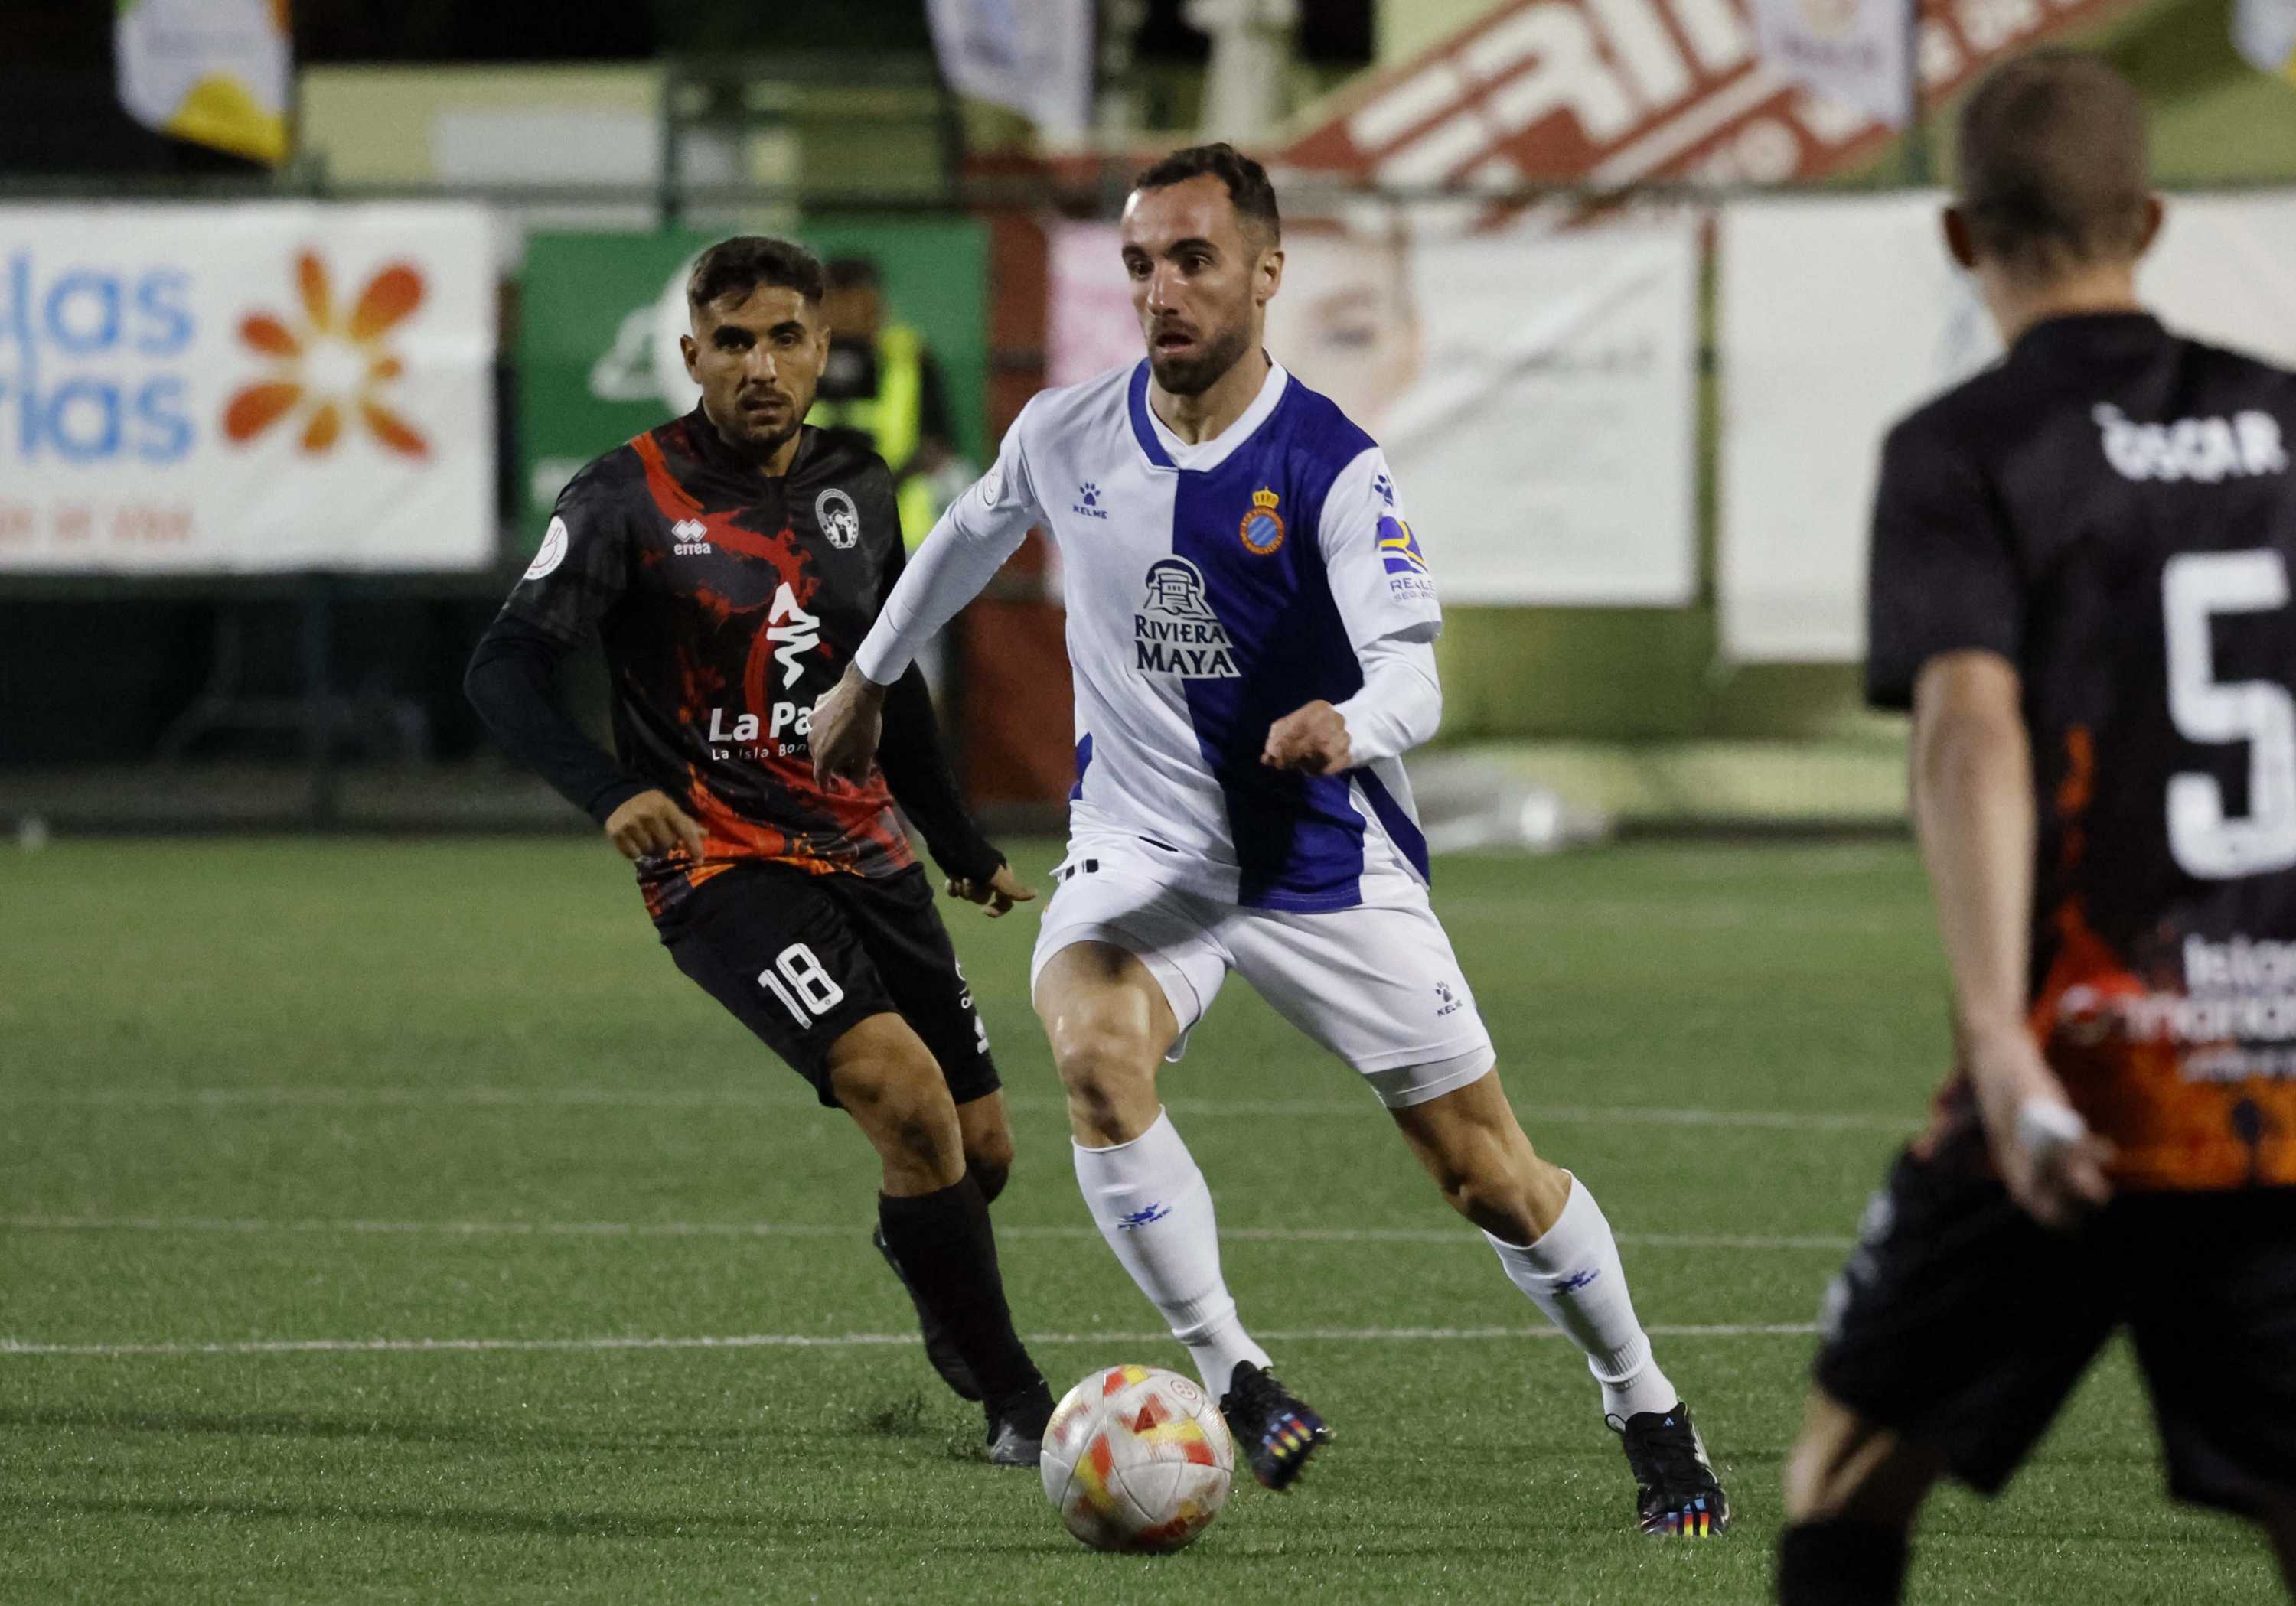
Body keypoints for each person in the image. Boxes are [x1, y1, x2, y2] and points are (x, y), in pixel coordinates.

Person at [810, 144, 1728, 1534]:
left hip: (1318, 858)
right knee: (1095, 1056)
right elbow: (969, 536)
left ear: (1265, 273)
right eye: (1140, 264)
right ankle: (1234, 1370)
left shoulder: (1330, 464)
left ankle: (1646, 1402)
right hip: (1142, 841)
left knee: (1486, 1170)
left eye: (1193, 260)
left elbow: (1414, 671)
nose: (1162, 290)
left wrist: (1350, 723)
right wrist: (870, 676)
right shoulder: (1067, 431)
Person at [1776, 54, 2296, 1604]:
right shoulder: (2285, 425)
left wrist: (2002, 1043)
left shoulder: (1964, 444)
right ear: (2149, 217)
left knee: (1846, 1475)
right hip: (2271, 1076)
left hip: (2081, 1064)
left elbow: (1971, 726)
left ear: (1959, 236)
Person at [463, 236, 1055, 1466]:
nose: (761, 366)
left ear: (823, 347)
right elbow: (502, 668)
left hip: (867, 847)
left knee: (981, 1150)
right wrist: (611, 789)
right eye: (732, 342)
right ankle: (1021, 1404)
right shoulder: (623, 495)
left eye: (785, 337)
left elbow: (887, 675)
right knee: (904, 1097)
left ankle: (922, 1249)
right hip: (721, 863)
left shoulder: (858, 482)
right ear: (692, 355)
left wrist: (957, 840)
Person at [810, 256, 958, 551]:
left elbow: (936, 445)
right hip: (812, 530)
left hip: (901, 533)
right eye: (838, 300)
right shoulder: (798, 359)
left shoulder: (908, 356)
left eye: (860, 300)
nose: (849, 311)